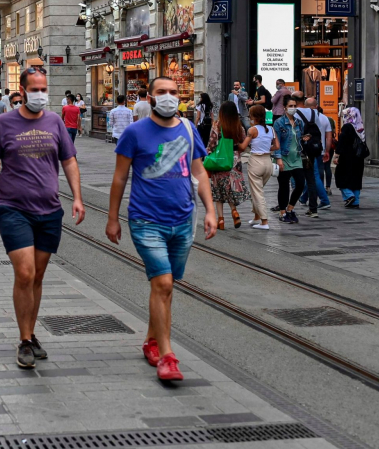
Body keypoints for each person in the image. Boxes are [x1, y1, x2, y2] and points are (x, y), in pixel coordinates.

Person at [105, 76, 216, 381]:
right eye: (162, 92)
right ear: (151, 98)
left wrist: (210, 209)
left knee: (165, 287)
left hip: (182, 221)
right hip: (145, 220)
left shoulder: (189, 129)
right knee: (163, 284)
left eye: (173, 92)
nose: (168, 97)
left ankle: (152, 340)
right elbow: (119, 178)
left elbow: (199, 173)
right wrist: (113, 218)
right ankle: (168, 355)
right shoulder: (134, 132)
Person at [0, 66, 84, 369]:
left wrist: (77, 196)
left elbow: (69, 161)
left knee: (37, 275)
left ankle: (31, 332)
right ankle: (24, 340)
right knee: (24, 273)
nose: (41, 94)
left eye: (43, 88)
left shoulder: (55, 122)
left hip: (49, 210)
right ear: (22, 92)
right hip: (13, 208)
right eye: (35, 89)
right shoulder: (3, 124)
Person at [207, 101, 249, 230]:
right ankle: (234, 212)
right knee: (230, 190)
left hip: (220, 161)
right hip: (234, 161)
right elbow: (242, 143)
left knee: (218, 192)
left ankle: (221, 220)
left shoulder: (217, 125)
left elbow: (212, 143)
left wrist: (207, 154)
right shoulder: (239, 126)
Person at [273, 95, 313, 224]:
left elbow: (297, 139)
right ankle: (283, 212)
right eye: (291, 106)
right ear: (284, 107)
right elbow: (277, 142)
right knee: (284, 186)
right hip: (283, 157)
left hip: (296, 157)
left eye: (295, 106)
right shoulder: (279, 123)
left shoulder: (299, 122)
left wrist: (304, 139)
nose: (293, 108)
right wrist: (278, 159)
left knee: (301, 183)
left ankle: (290, 208)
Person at [237, 105, 278, 230]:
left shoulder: (252, 130)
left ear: (254, 116)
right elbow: (276, 146)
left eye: (250, 115)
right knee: (257, 190)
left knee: (257, 192)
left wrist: (236, 142)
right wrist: (266, 149)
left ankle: (264, 221)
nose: (249, 117)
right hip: (268, 162)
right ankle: (256, 216)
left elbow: (243, 147)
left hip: (256, 161)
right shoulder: (271, 129)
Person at [295, 98, 332, 213]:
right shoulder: (324, 117)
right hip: (318, 148)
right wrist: (327, 151)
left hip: (305, 149)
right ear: (316, 105)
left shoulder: (297, 114)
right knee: (313, 175)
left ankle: (324, 200)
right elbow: (328, 136)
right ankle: (304, 198)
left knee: (313, 176)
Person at [335, 107, 366, 208]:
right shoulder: (360, 127)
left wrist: (336, 155)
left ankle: (349, 195)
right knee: (356, 179)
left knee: (341, 177)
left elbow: (342, 141)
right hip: (359, 158)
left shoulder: (347, 126)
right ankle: (355, 201)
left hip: (346, 158)